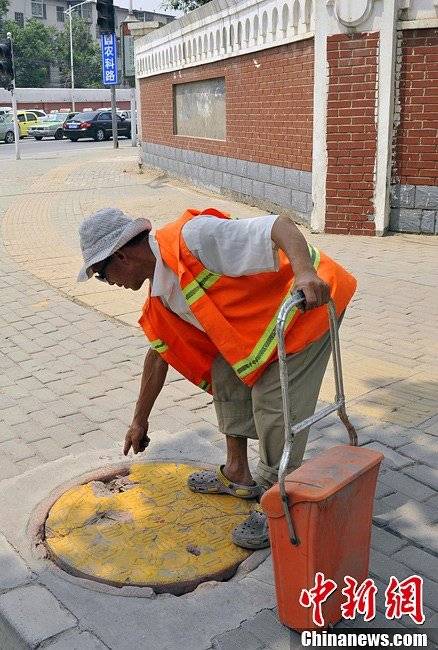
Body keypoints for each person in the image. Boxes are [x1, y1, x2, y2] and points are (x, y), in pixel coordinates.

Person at [78, 207, 357, 550]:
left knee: (273, 401)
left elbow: (279, 226)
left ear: (120, 256)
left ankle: (276, 499)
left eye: (102, 275)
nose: (109, 283)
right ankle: (238, 471)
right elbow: (158, 355)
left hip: (309, 308)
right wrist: (139, 421)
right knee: (224, 370)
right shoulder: (161, 295)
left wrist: (305, 273)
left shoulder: (193, 239)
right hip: (269, 325)